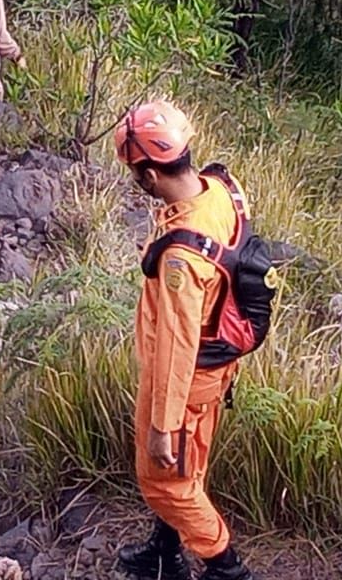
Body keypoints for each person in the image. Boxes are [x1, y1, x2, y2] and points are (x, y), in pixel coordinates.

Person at [113, 101, 255, 580]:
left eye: (136, 173)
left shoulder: (181, 260)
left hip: (187, 381)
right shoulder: (220, 190)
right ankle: (164, 550)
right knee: (185, 471)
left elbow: (176, 345)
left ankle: (225, 567)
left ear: (151, 176)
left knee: (167, 484)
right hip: (217, 369)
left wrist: (163, 424)